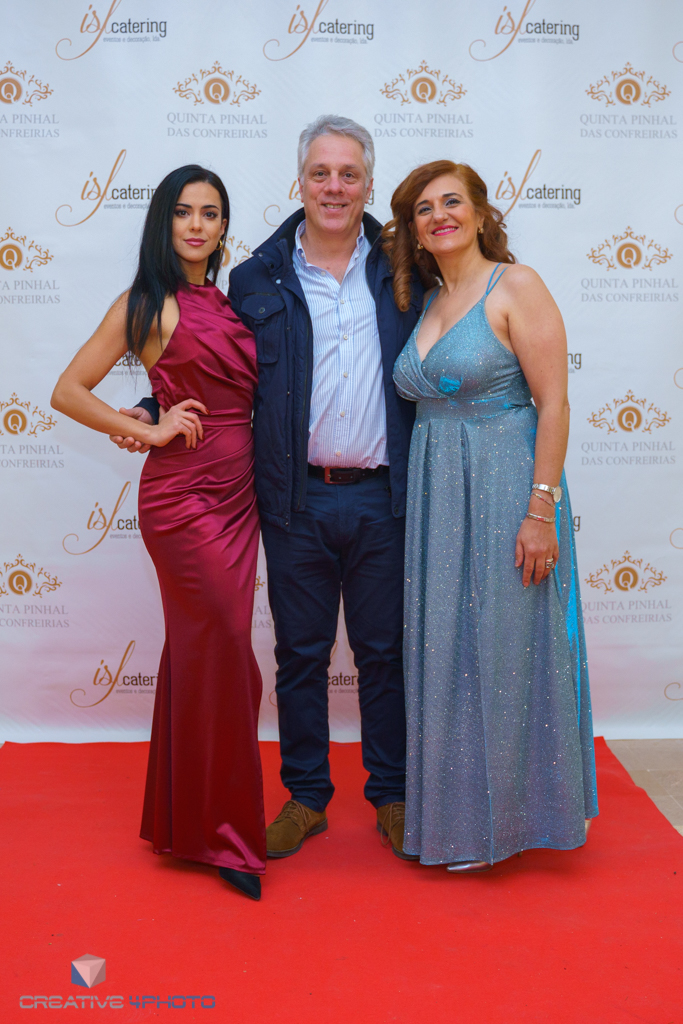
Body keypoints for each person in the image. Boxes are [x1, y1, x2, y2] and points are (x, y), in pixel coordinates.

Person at [113, 116, 425, 860]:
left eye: (348, 174)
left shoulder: (406, 269)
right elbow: (220, 368)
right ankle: (307, 798)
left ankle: (391, 794)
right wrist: (155, 407)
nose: (333, 187)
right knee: (300, 655)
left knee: (384, 654)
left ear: (368, 184)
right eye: (320, 173)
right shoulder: (256, 276)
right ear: (299, 181)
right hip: (292, 498)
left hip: (385, 495)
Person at [51, 165, 266, 900]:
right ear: (162, 222)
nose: (197, 225)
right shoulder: (144, 302)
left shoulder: (228, 302)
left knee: (202, 654)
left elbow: (216, 380)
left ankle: (186, 821)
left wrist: (148, 402)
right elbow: (67, 390)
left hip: (240, 495)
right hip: (183, 501)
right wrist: (146, 429)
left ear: (224, 225)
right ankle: (226, 835)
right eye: (183, 212)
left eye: (210, 212)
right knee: (227, 652)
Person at [389, 160, 598, 871]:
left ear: (480, 214)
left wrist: (540, 509)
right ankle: (456, 820)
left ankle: (510, 823)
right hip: (437, 495)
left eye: (452, 202)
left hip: (509, 486)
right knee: (447, 648)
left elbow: (554, 403)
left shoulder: (516, 285)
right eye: (423, 208)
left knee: (510, 648)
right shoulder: (426, 301)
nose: (438, 215)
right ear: (414, 230)